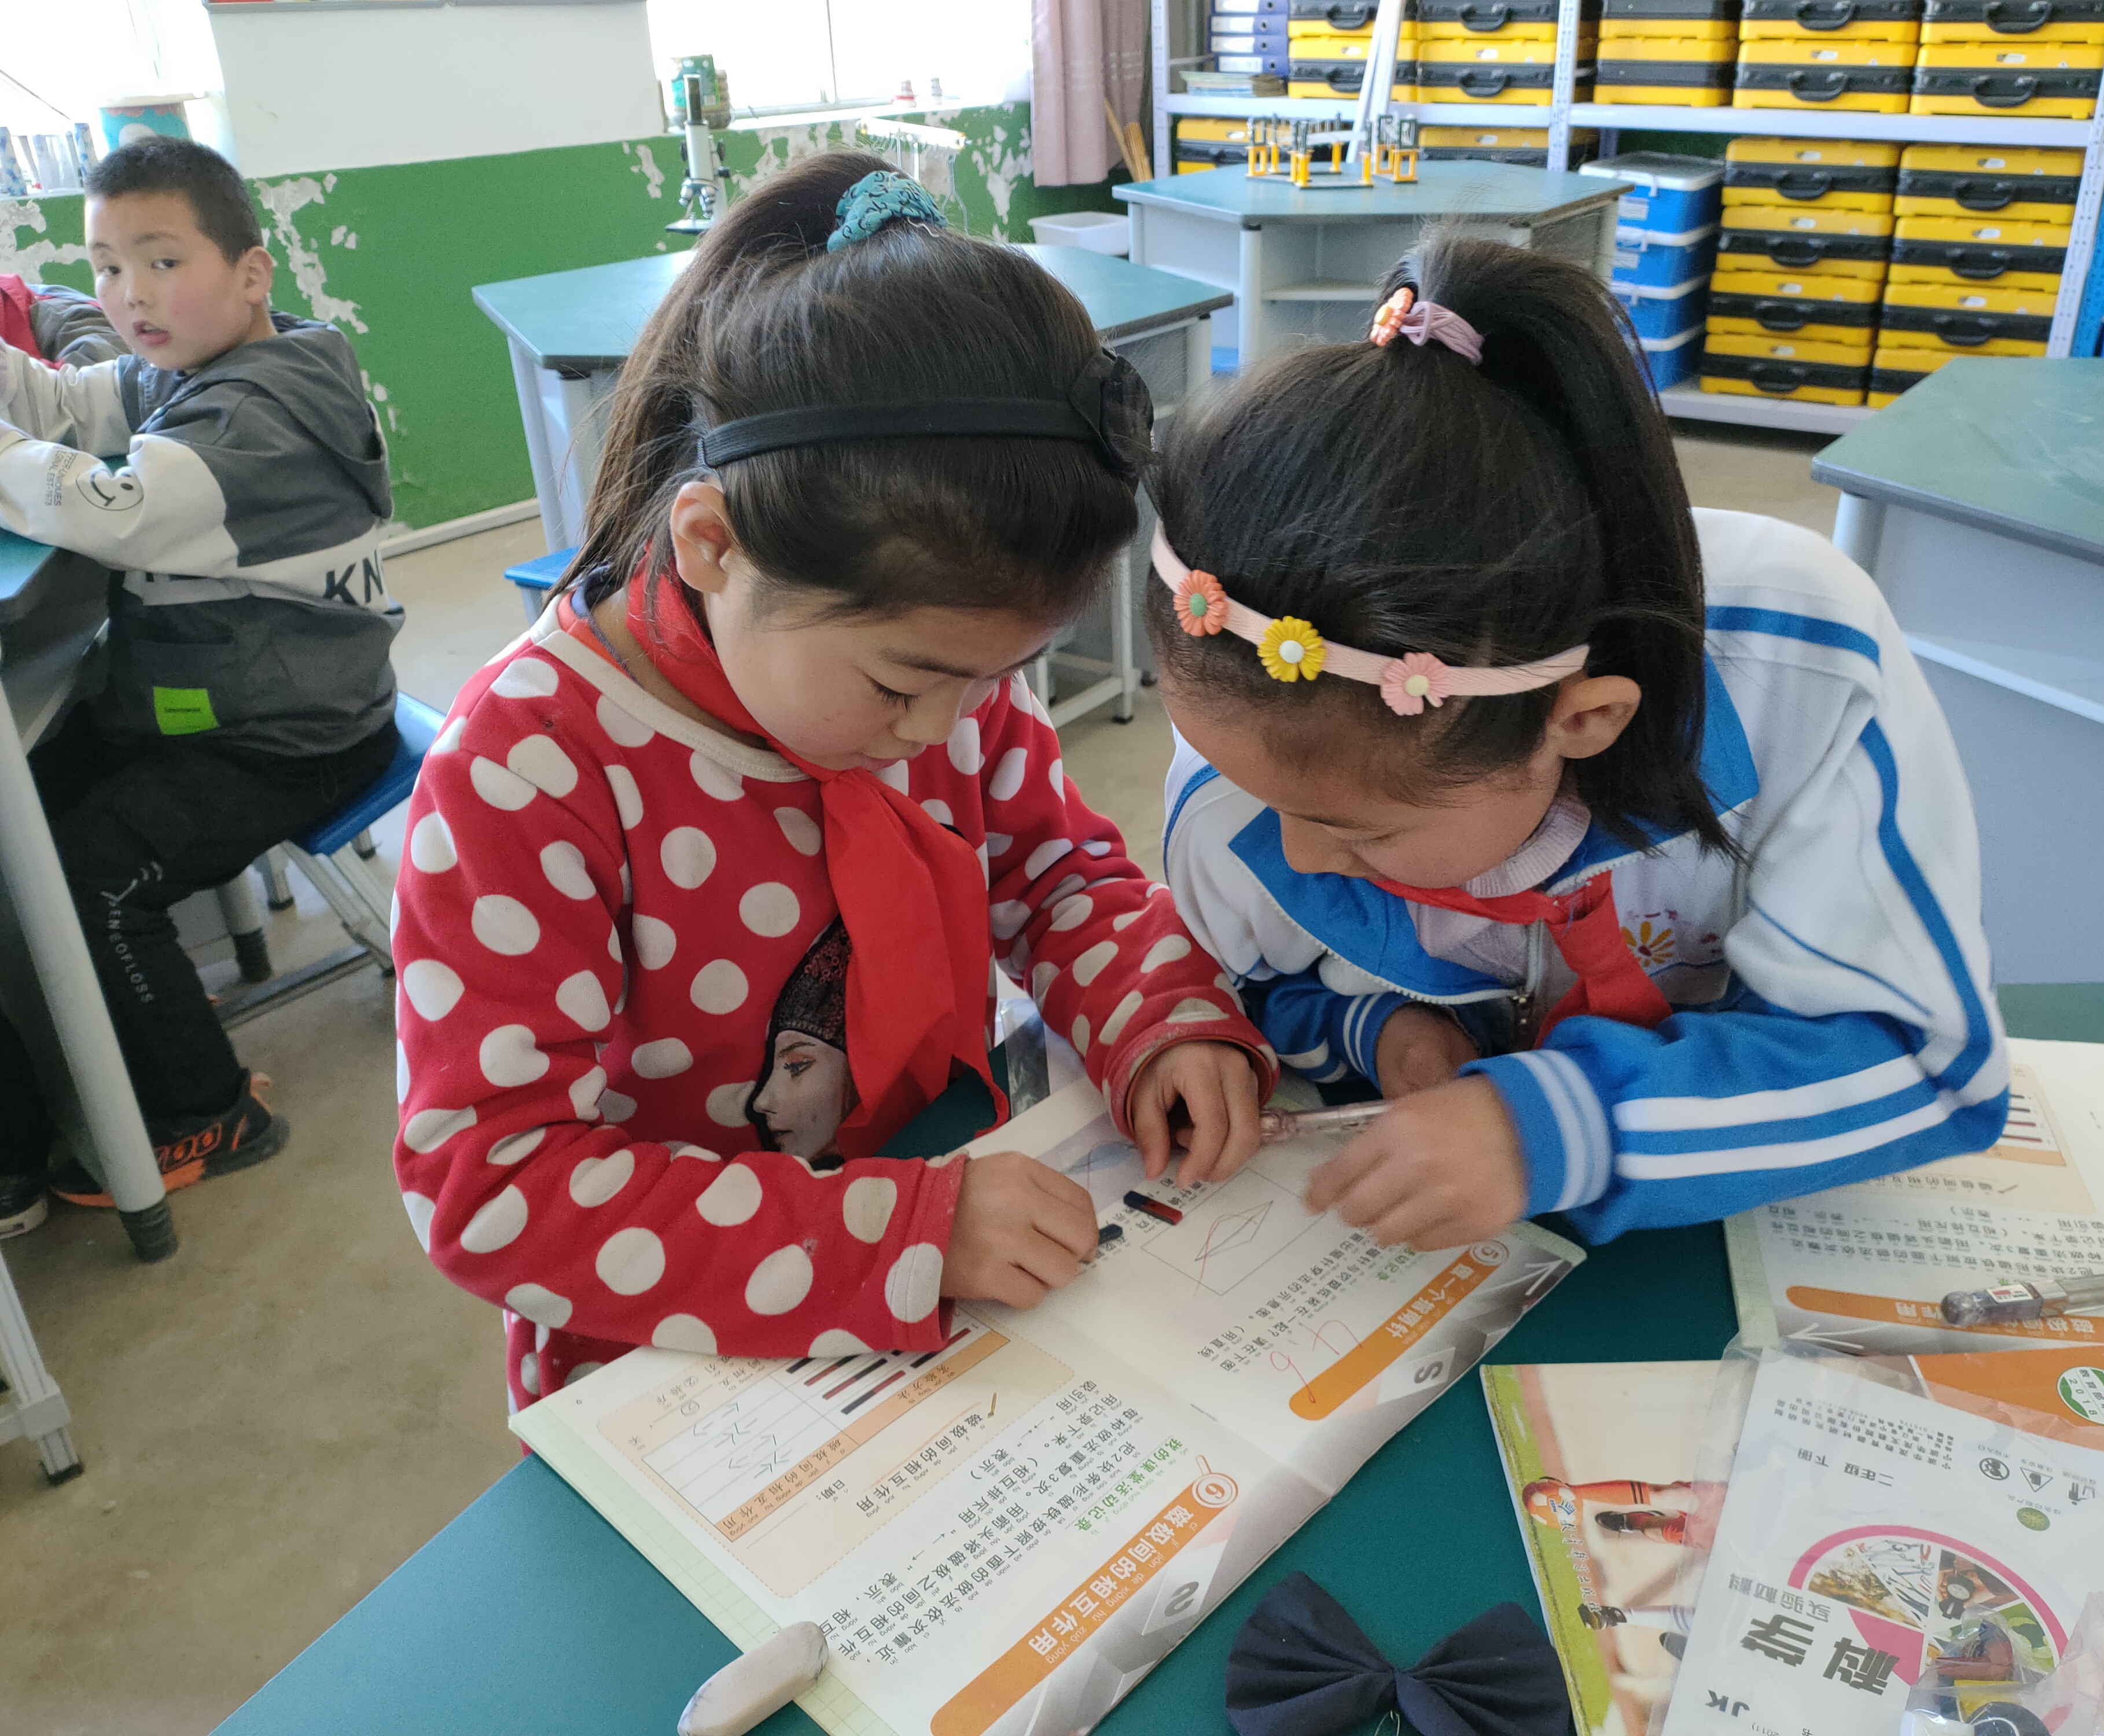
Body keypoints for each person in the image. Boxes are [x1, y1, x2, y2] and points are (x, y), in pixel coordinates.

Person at [391, 157, 1276, 1411]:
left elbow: (1053, 876)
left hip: (958, 1220)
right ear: (711, 543)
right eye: (905, 683)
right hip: (679, 1359)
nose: (946, 731)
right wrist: (895, 1236)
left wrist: (1163, 1018)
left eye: (1000, 678)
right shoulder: (527, 770)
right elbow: (492, 1187)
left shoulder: (940, 678)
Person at [1153, 236, 2008, 1255]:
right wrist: (1375, 1030)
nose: (1292, 852)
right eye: (1244, 784)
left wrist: (1557, 1128)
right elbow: (1254, 978)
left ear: (1584, 722)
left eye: (1360, 832)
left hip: (1731, 1222)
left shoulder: (1799, 667)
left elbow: (1925, 1065)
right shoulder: (1255, 741)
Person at [0, 135, 400, 1219]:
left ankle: (208, 1112)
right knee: (27, 815)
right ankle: (97, 1051)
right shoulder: (200, 363)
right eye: (106, 267)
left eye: (163, 261)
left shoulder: (254, 416)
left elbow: (107, 507)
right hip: (228, 701)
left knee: (90, 878)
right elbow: (70, 406)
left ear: (252, 272)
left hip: (294, 731)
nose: (130, 294)